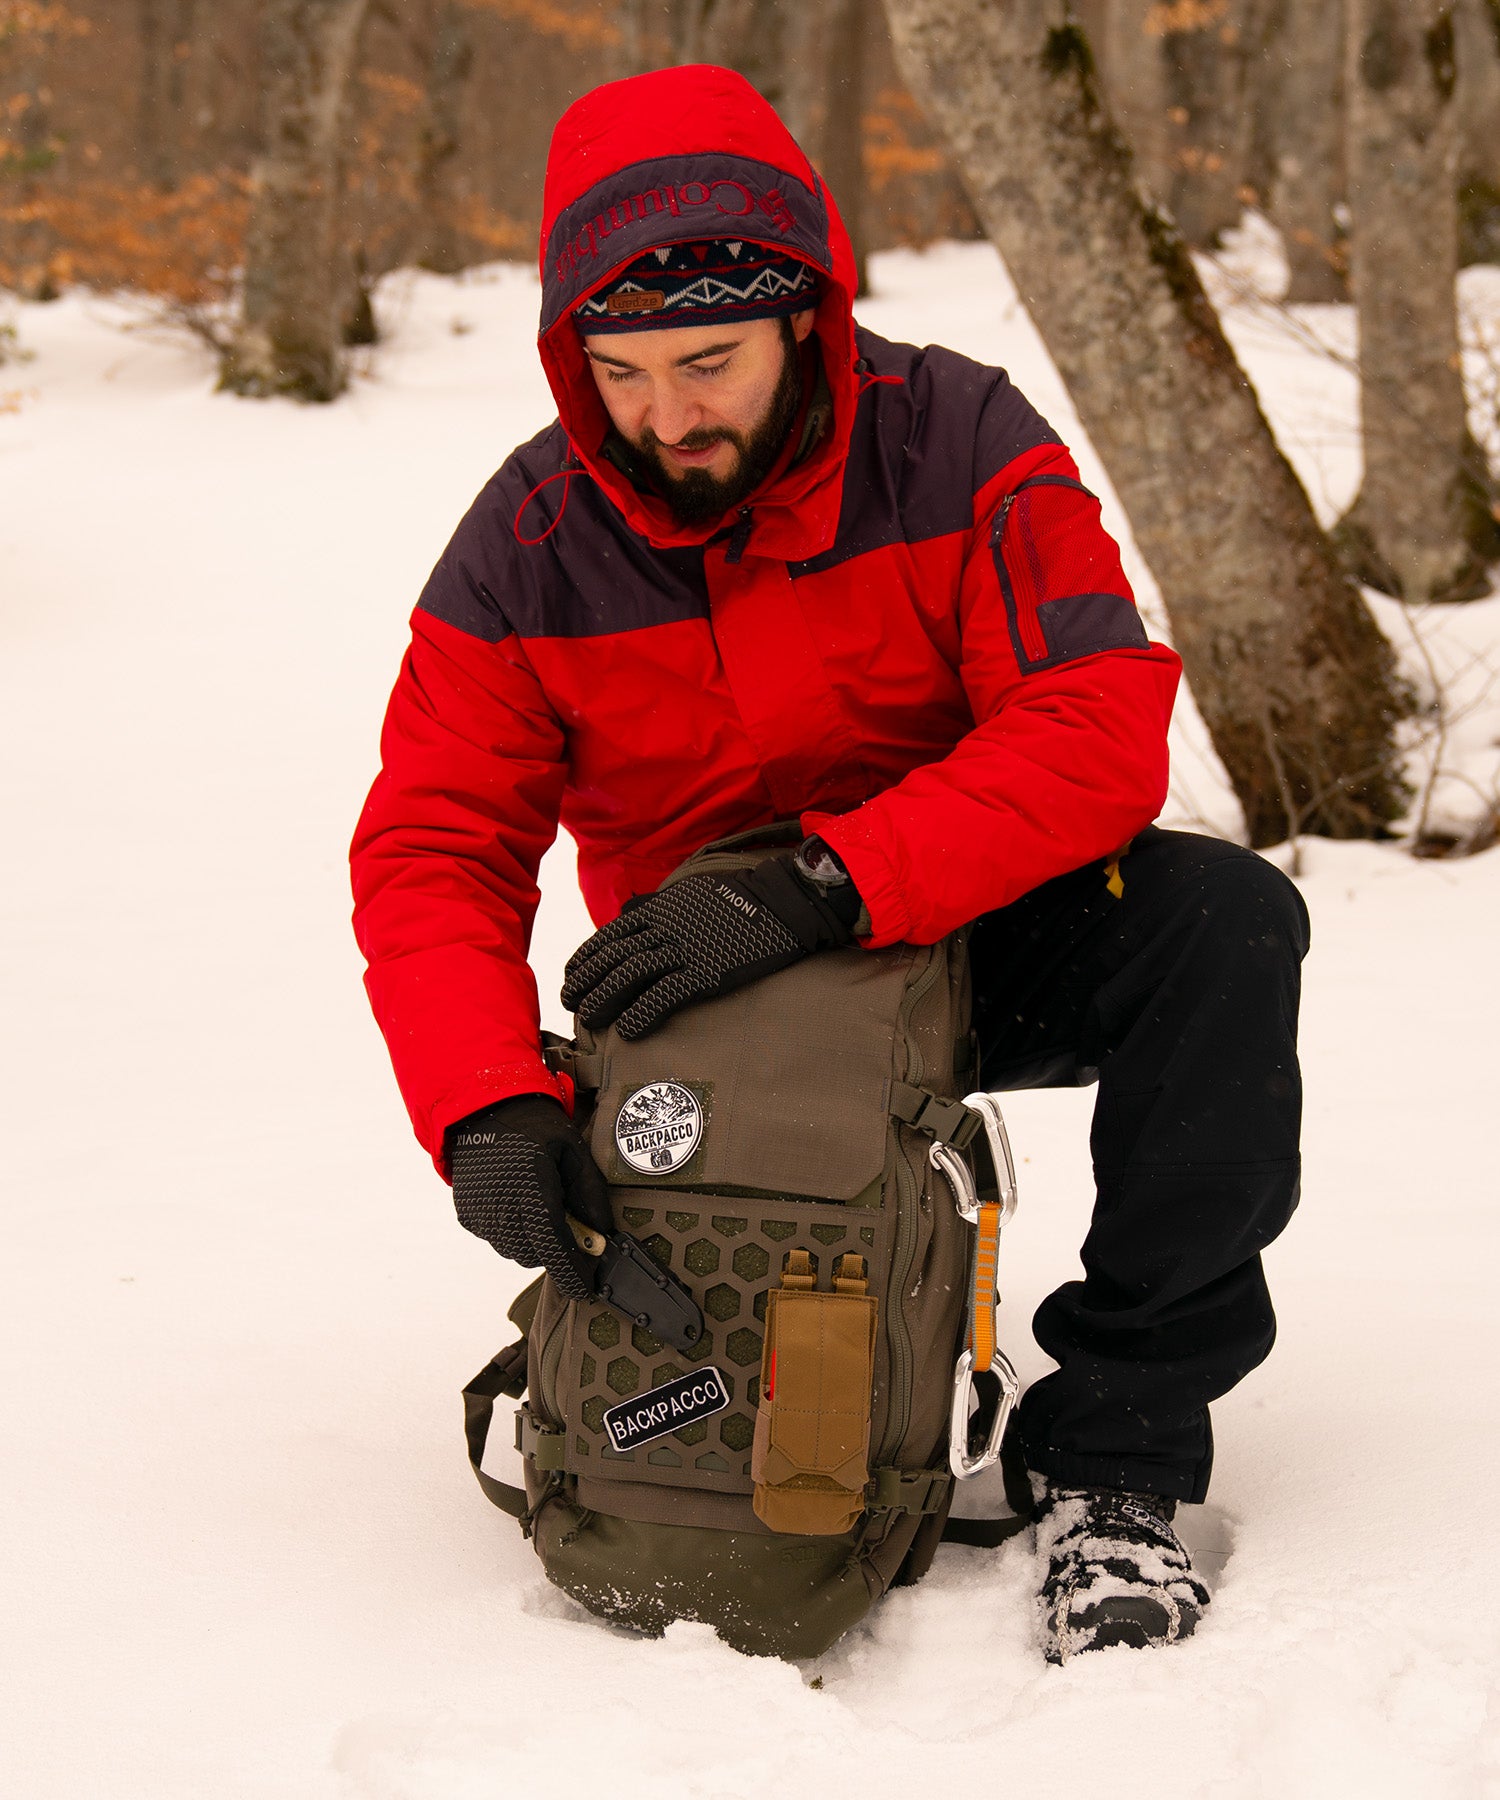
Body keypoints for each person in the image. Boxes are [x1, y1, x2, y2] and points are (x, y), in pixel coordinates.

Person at [351, 64, 1310, 1664]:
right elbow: (435, 846)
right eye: (623, 371)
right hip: (706, 998)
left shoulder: (960, 440)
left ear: (808, 310)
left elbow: (1095, 719)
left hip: (965, 912)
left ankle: (1118, 1467)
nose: (667, 415)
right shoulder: (522, 547)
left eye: (710, 361)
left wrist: (825, 879)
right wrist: (483, 1103)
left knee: (1222, 927)